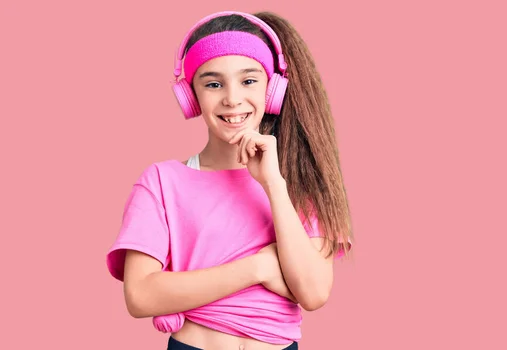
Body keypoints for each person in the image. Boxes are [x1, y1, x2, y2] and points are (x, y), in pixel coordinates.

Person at [106, 10, 353, 350]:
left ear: (272, 90)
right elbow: (140, 295)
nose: (232, 99)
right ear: (191, 96)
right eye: (213, 83)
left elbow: (312, 292)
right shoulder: (162, 182)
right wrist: (260, 267)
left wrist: (273, 184)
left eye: (249, 80)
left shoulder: (297, 182)